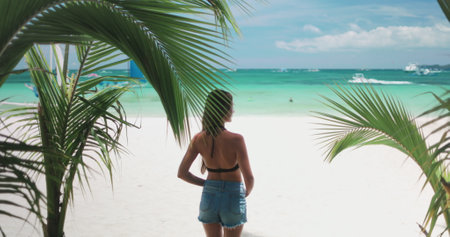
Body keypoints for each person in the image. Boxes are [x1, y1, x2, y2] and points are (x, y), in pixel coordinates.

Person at [178, 89, 254, 237]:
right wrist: (247, 191)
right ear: (223, 110)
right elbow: (249, 178)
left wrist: (206, 184)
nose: (233, 110)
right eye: (231, 107)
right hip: (233, 195)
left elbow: (182, 173)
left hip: (209, 196)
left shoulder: (199, 139)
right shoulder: (236, 139)